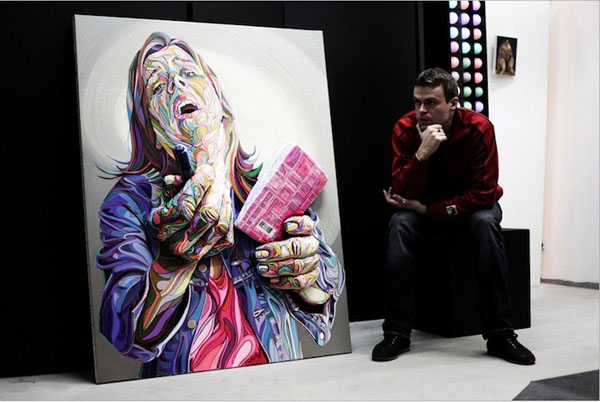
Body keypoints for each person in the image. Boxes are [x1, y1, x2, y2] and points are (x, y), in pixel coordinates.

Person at [96, 32, 345, 377]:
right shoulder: (128, 203)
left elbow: (325, 288)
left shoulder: (268, 184)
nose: (177, 86)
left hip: (276, 377)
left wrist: (306, 278)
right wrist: (172, 264)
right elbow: (125, 329)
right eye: (159, 86)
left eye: (188, 73)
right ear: (149, 124)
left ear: (219, 100)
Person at [372, 68, 535, 365]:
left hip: (469, 209)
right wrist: (422, 154)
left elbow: (483, 194)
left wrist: (428, 209)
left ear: (453, 103)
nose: (422, 110)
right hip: (420, 210)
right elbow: (400, 190)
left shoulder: (478, 128)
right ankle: (396, 333)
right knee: (399, 225)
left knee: (486, 223)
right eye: (417, 102)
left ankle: (500, 335)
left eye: (431, 102)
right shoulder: (405, 129)